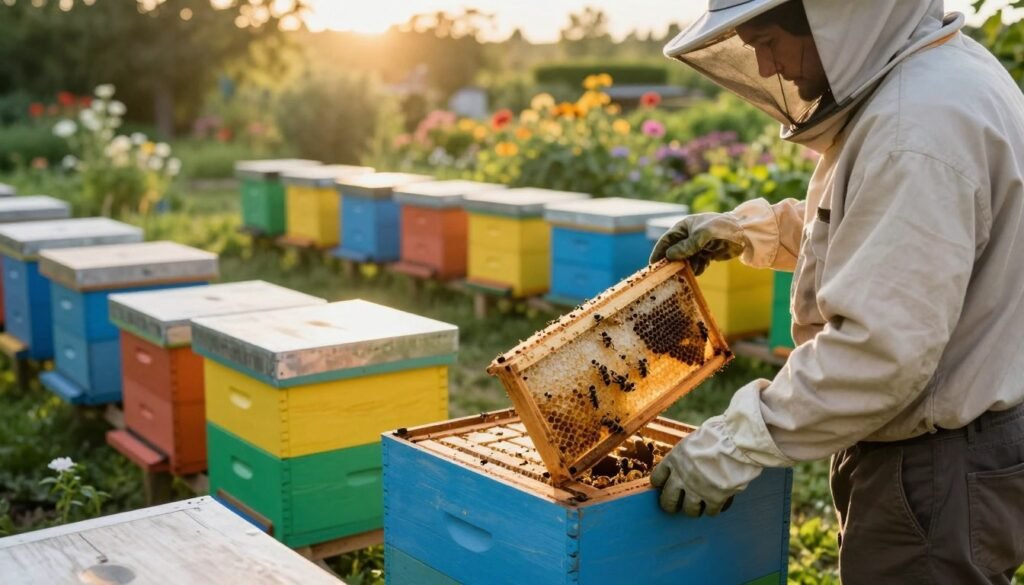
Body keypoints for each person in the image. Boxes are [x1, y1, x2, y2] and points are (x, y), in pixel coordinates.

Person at [648, 1, 1024, 583]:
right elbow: (890, 238)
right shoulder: (942, 76)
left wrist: (736, 442)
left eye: (769, 40)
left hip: (933, 467)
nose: (766, 65)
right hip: (953, 451)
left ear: (838, 21)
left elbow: (878, 354)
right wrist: (751, 230)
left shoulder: (915, 128)